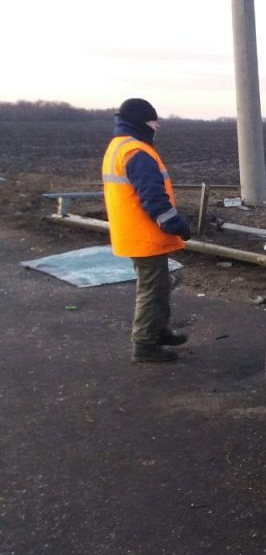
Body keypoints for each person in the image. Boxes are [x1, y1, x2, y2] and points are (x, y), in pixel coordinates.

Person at [102, 98, 192, 364]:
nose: (157, 127)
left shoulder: (119, 146)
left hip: (136, 233)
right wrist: (177, 225)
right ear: (142, 123)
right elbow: (153, 198)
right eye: (154, 122)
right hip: (145, 235)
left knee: (159, 286)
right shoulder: (137, 152)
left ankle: (158, 332)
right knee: (152, 290)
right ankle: (144, 345)